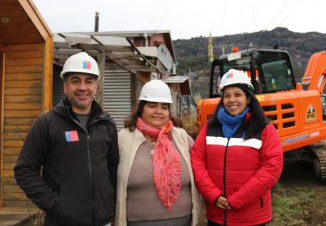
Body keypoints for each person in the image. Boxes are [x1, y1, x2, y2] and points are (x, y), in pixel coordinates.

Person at [14, 52, 119, 226]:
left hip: (103, 221)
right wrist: (55, 204)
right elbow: (24, 170)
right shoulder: (47, 123)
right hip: (62, 221)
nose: (82, 87)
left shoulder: (107, 124)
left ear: (96, 86)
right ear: (65, 86)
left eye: (89, 81)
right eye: (75, 80)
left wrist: (111, 205)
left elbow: (113, 170)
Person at [191, 69, 283, 226]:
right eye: (227, 95)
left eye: (237, 94)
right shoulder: (211, 127)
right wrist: (213, 195)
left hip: (251, 217)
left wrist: (238, 200)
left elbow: (272, 168)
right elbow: (197, 158)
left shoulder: (263, 128)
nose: (231, 100)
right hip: (217, 215)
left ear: (248, 98)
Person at [115, 79, 202, 226]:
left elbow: (201, 168)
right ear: (141, 108)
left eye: (164, 107)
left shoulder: (181, 137)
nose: (158, 112)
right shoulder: (123, 138)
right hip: (137, 221)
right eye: (152, 106)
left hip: (183, 220)